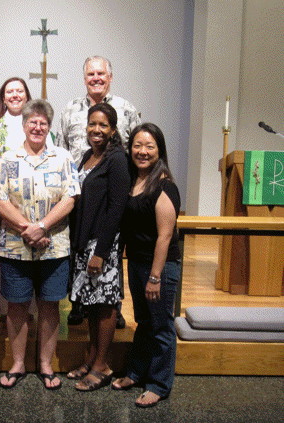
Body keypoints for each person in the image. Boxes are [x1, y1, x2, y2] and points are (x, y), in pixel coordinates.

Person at [0, 99, 80, 390]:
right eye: (33, 122)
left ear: (49, 127)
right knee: (17, 307)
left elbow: (71, 198)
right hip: (15, 246)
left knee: (50, 306)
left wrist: (42, 227)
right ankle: (17, 364)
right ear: (24, 125)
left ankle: (45, 364)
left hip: (54, 245)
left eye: (43, 122)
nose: (37, 127)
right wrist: (26, 228)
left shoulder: (63, 157)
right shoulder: (8, 157)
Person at [56, 56, 140, 327]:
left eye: (101, 73)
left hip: (113, 191)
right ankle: (79, 303)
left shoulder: (126, 109)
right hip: (81, 191)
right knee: (79, 250)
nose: (96, 78)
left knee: (109, 253)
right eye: (91, 74)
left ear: (110, 77)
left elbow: (139, 147)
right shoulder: (70, 110)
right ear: (84, 78)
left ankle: (114, 305)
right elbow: (62, 149)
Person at [112, 123, 181, 408]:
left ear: (159, 150)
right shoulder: (132, 180)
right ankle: (136, 372)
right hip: (138, 263)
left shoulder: (164, 185)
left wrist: (155, 277)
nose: (142, 151)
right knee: (144, 321)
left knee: (162, 326)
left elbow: (165, 236)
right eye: (137, 145)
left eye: (149, 146)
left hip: (159, 267)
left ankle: (159, 384)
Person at [68, 103, 130, 391]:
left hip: (103, 244)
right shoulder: (87, 156)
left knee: (104, 306)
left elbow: (117, 207)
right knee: (91, 305)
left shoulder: (116, 159)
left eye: (103, 125)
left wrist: (101, 252)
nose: (96, 130)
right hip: (85, 241)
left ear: (113, 130)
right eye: (93, 124)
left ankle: (102, 365)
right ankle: (92, 358)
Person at [0, 77, 54, 160]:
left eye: (20, 91)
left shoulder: (39, 125)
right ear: (3, 99)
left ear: (26, 97)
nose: (15, 95)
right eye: (9, 92)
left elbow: (50, 154)